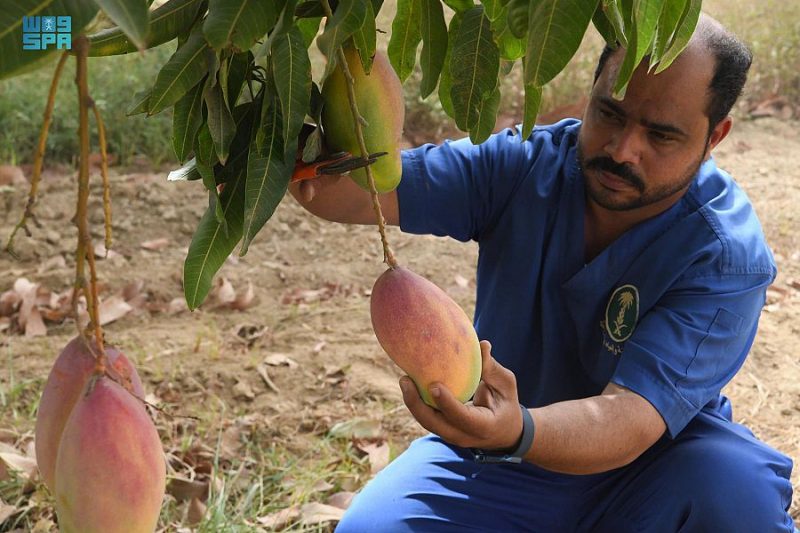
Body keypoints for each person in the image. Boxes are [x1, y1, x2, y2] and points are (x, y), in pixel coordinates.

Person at [289, 13, 795, 532]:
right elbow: (365, 191)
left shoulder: (724, 254)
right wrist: (279, 137)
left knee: (735, 496)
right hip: (502, 463)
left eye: (661, 136)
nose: (622, 150)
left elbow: (630, 419)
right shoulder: (524, 166)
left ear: (715, 137)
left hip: (652, 467)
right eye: (610, 113)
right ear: (591, 93)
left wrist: (519, 430)